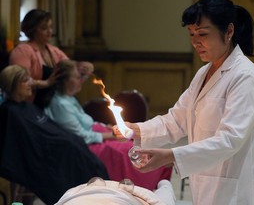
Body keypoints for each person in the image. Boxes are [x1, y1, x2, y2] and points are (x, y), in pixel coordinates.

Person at [113, 0, 254, 205]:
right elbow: (177, 119)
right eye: (191, 33)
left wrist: (171, 155)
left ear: (229, 31)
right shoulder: (204, 73)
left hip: (234, 186)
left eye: (202, 34)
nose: (195, 42)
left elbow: (230, 139)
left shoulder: (245, 76)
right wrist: (136, 130)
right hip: (204, 177)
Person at [44, 59, 173, 190]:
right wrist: (111, 134)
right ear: (65, 80)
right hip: (87, 146)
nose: (81, 80)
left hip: (97, 134)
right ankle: (145, 184)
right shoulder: (60, 104)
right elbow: (82, 136)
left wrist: (106, 127)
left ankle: (160, 179)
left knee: (137, 145)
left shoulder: (68, 98)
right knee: (127, 152)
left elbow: (87, 123)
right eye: (77, 77)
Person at [0, 65, 109, 205]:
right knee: (75, 157)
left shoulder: (27, 107)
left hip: (64, 146)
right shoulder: (10, 113)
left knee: (83, 155)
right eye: (25, 81)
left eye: (29, 79)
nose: (30, 84)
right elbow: (26, 145)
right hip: (46, 156)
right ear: (12, 85)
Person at [9, 9, 94, 109]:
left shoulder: (53, 51)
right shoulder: (22, 51)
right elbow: (19, 81)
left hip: (53, 105)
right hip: (31, 106)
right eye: (44, 28)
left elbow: (71, 68)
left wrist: (84, 68)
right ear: (32, 30)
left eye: (50, 27)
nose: (50, 32)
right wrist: (45, 83)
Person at [55, 178, 176, 205]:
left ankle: (163, 183)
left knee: (164, 190)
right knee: (165, 189)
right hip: (119, 194)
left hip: (83, 193)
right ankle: (163, 182)